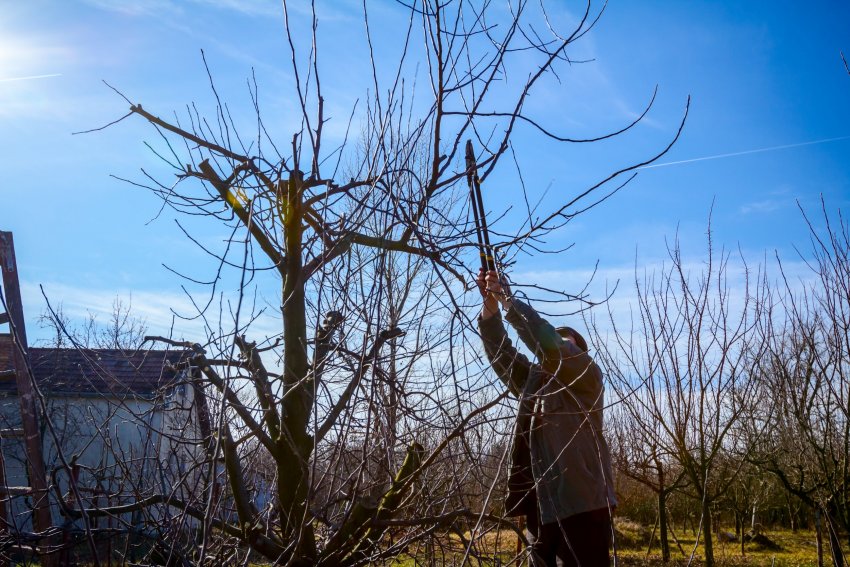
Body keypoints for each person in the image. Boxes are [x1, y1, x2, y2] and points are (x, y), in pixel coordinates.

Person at [476, 268, 617, 567]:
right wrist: (490, 307)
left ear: (579, 353)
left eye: (569, 344)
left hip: (583, 506)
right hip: (540, 508)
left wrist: (509, 302)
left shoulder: (588, 378)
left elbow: (548, 343)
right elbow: (502, 355)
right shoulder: (534, 383)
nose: (561, 346)